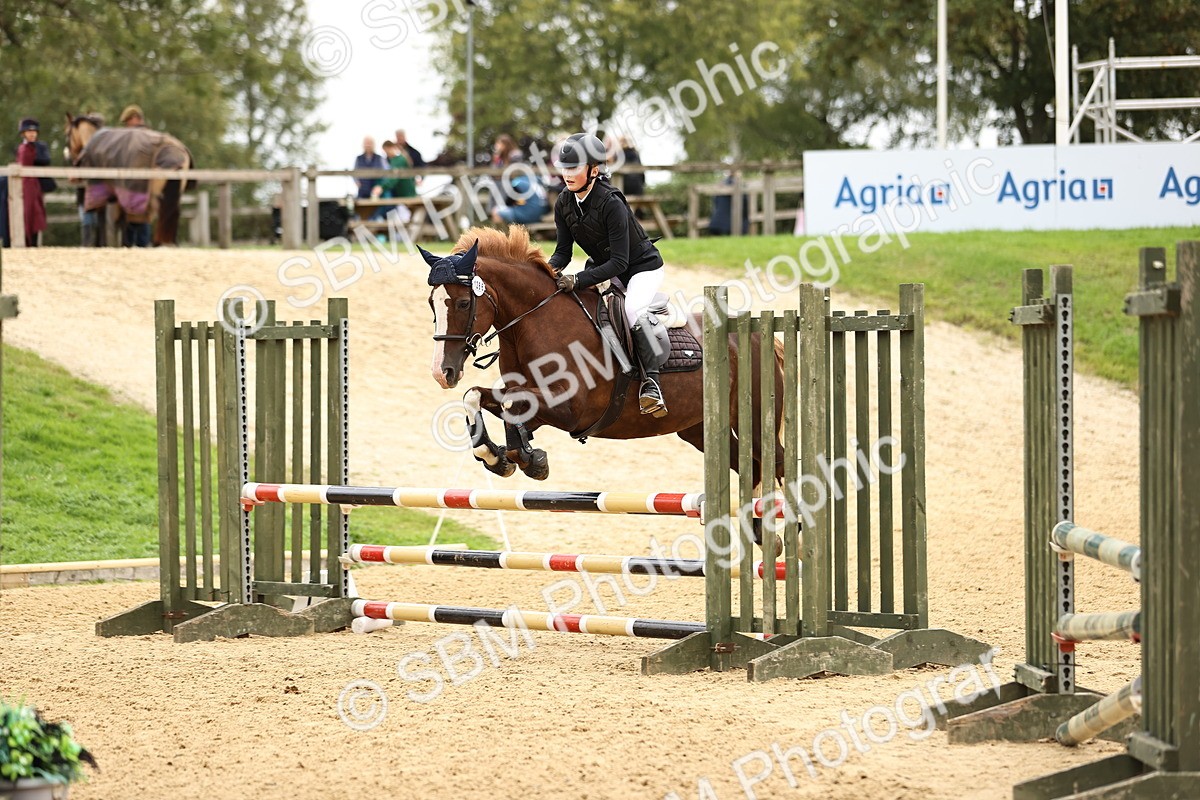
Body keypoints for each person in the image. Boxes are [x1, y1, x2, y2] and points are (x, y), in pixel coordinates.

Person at [548, 132, 669, 417]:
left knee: (631, 309)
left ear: (593, 169)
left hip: (640, 269)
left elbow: (619, 262)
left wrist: (577, 280)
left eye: (574, 167)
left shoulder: (611, 202)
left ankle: (652, 383)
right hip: (606, 268)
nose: (567, 174)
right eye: (564, 168)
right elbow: (563, 253)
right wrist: (545, 271)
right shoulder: (564, 202)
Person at [488, 134, 547, 225]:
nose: (497, 146)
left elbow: (513, 171)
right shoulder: (499, 158)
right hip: (508, 191)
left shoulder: (515, 156)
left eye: (499, 143)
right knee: (501, 209)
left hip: (514, 191)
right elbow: (493, 173)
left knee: (498, 211)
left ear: (505, 144)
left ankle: (501, 234)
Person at [12, 118, 48, 247]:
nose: (32, 134)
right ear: (24, 133)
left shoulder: (39, 147)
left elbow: (45, 161)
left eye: (34, 132)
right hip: (23, 184)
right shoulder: (22, 148)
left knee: (35, 214)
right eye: (29, 131)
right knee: (25, 214)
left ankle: (32, 243)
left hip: (33, 184)